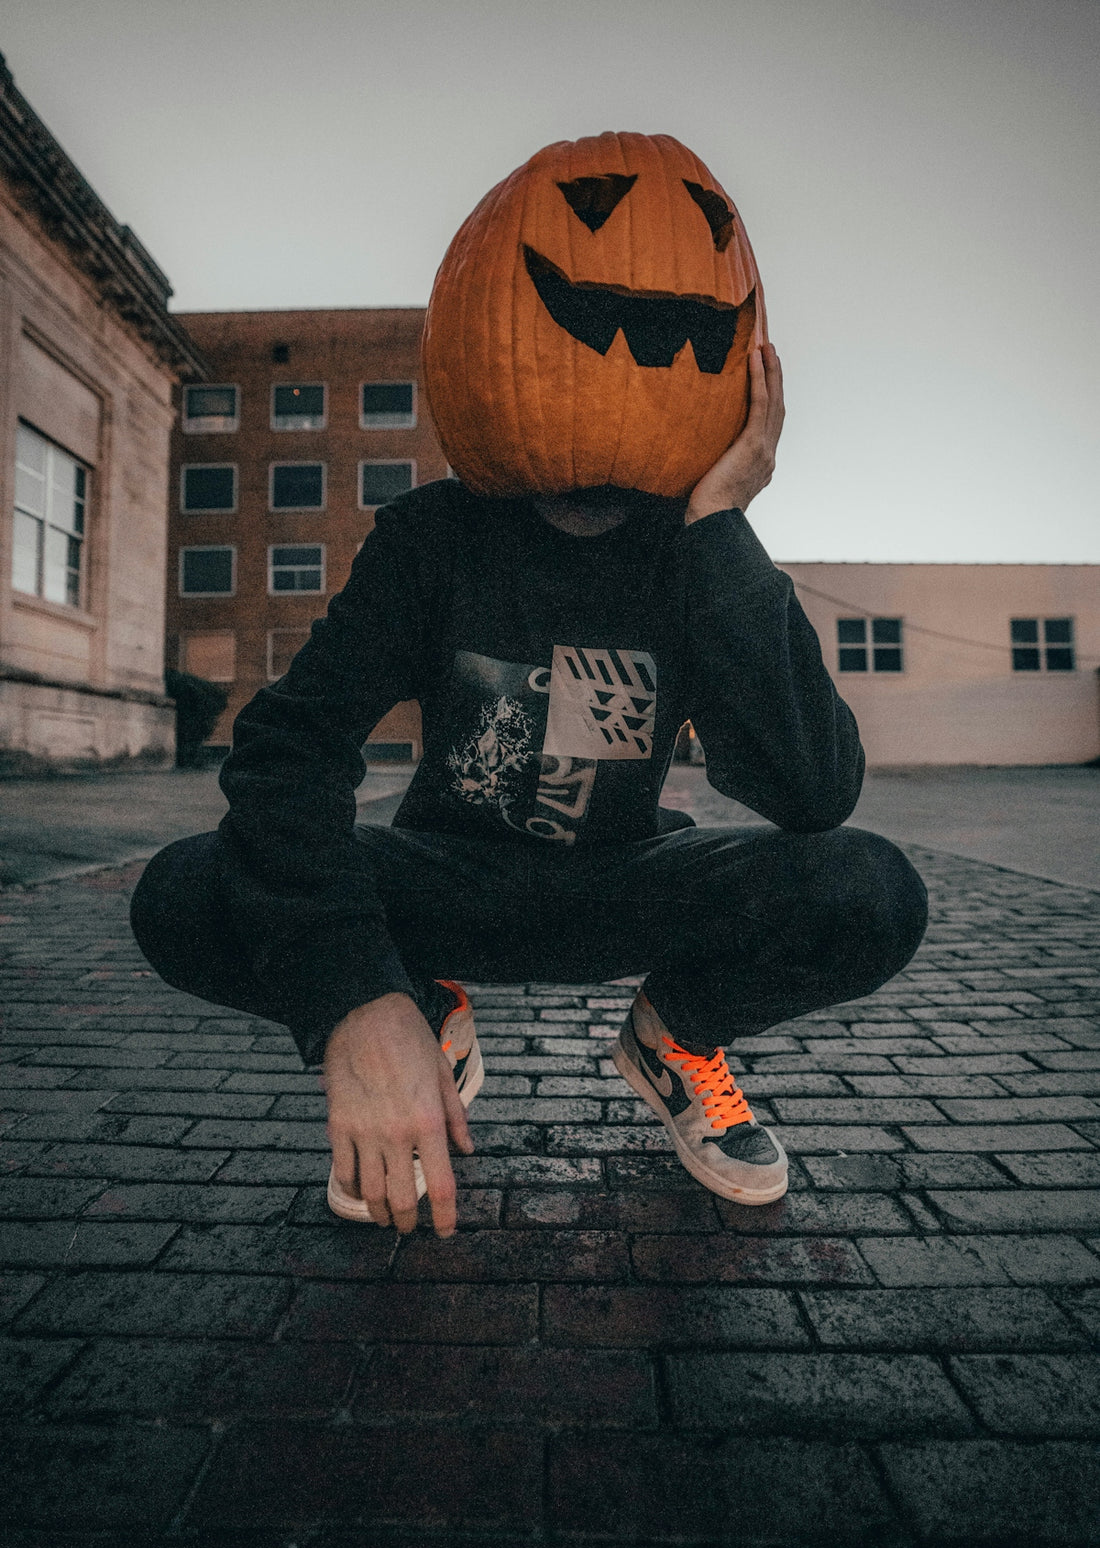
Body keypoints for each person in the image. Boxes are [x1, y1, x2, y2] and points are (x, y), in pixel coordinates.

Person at [130, 342, 929, 1241]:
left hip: (624, 881)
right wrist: (354, 993)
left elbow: (816, 790)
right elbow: (289, 749)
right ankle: (422, 1015)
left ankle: (680, 1037)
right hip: (440, 881)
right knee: (187, 891)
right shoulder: (434, 535)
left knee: (872, 888)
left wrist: (722, 527)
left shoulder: (698, 557)